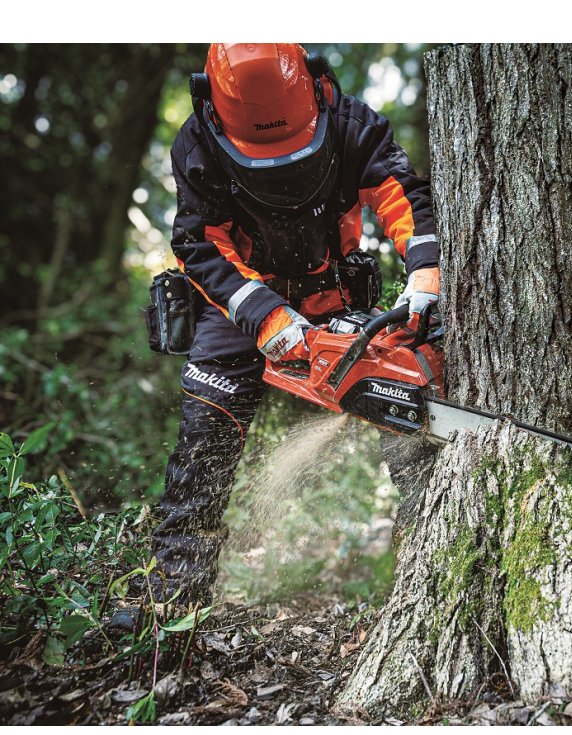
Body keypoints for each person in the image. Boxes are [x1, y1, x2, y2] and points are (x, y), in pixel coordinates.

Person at [145, 43, 439, 606]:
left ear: (316, 87)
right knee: (206, 436)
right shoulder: (199, 144)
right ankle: (173, 598)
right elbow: (200, 243)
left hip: (330, 290)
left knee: (400, 396)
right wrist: (264, 315)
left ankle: (434, 554)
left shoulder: (352, 127)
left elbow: (405, 198)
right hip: (238, 304)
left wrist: (426, 273)